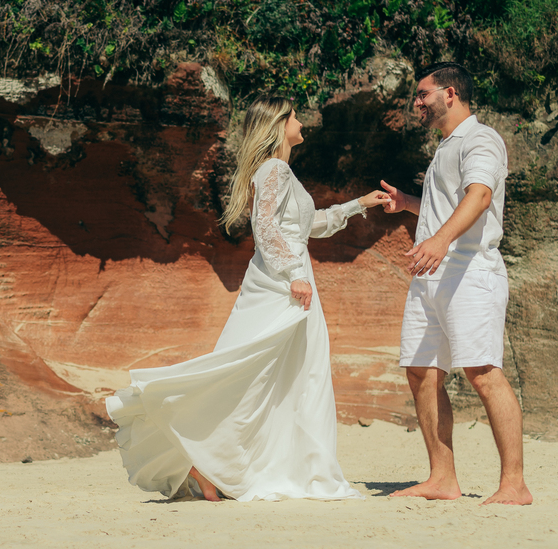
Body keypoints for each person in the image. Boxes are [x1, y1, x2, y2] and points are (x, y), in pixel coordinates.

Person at [106, 96, 390, 501]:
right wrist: (295, 274)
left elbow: (308, 226)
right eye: (293, 115)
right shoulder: (274, 169)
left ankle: (214, 467)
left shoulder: (282, 171)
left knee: (282, 376)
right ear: (278, 124)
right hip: (282, 284)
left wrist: (357, 205)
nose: (300, 120)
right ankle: (209, 462)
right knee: (258, 372)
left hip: (290, 278)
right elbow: (267, 227)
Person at [380, 62, 533, 505]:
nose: (417, 103)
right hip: (432, 276)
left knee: (483, 372)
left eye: (422, 94)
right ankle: (442, 479)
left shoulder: (480, 139)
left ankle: (514, 485)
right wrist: (408, 203)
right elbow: (447, 202)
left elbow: (480, 196)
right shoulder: (445, 148)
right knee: (421, 373)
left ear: (450, 94)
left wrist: (438, 241)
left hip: (469, 272)